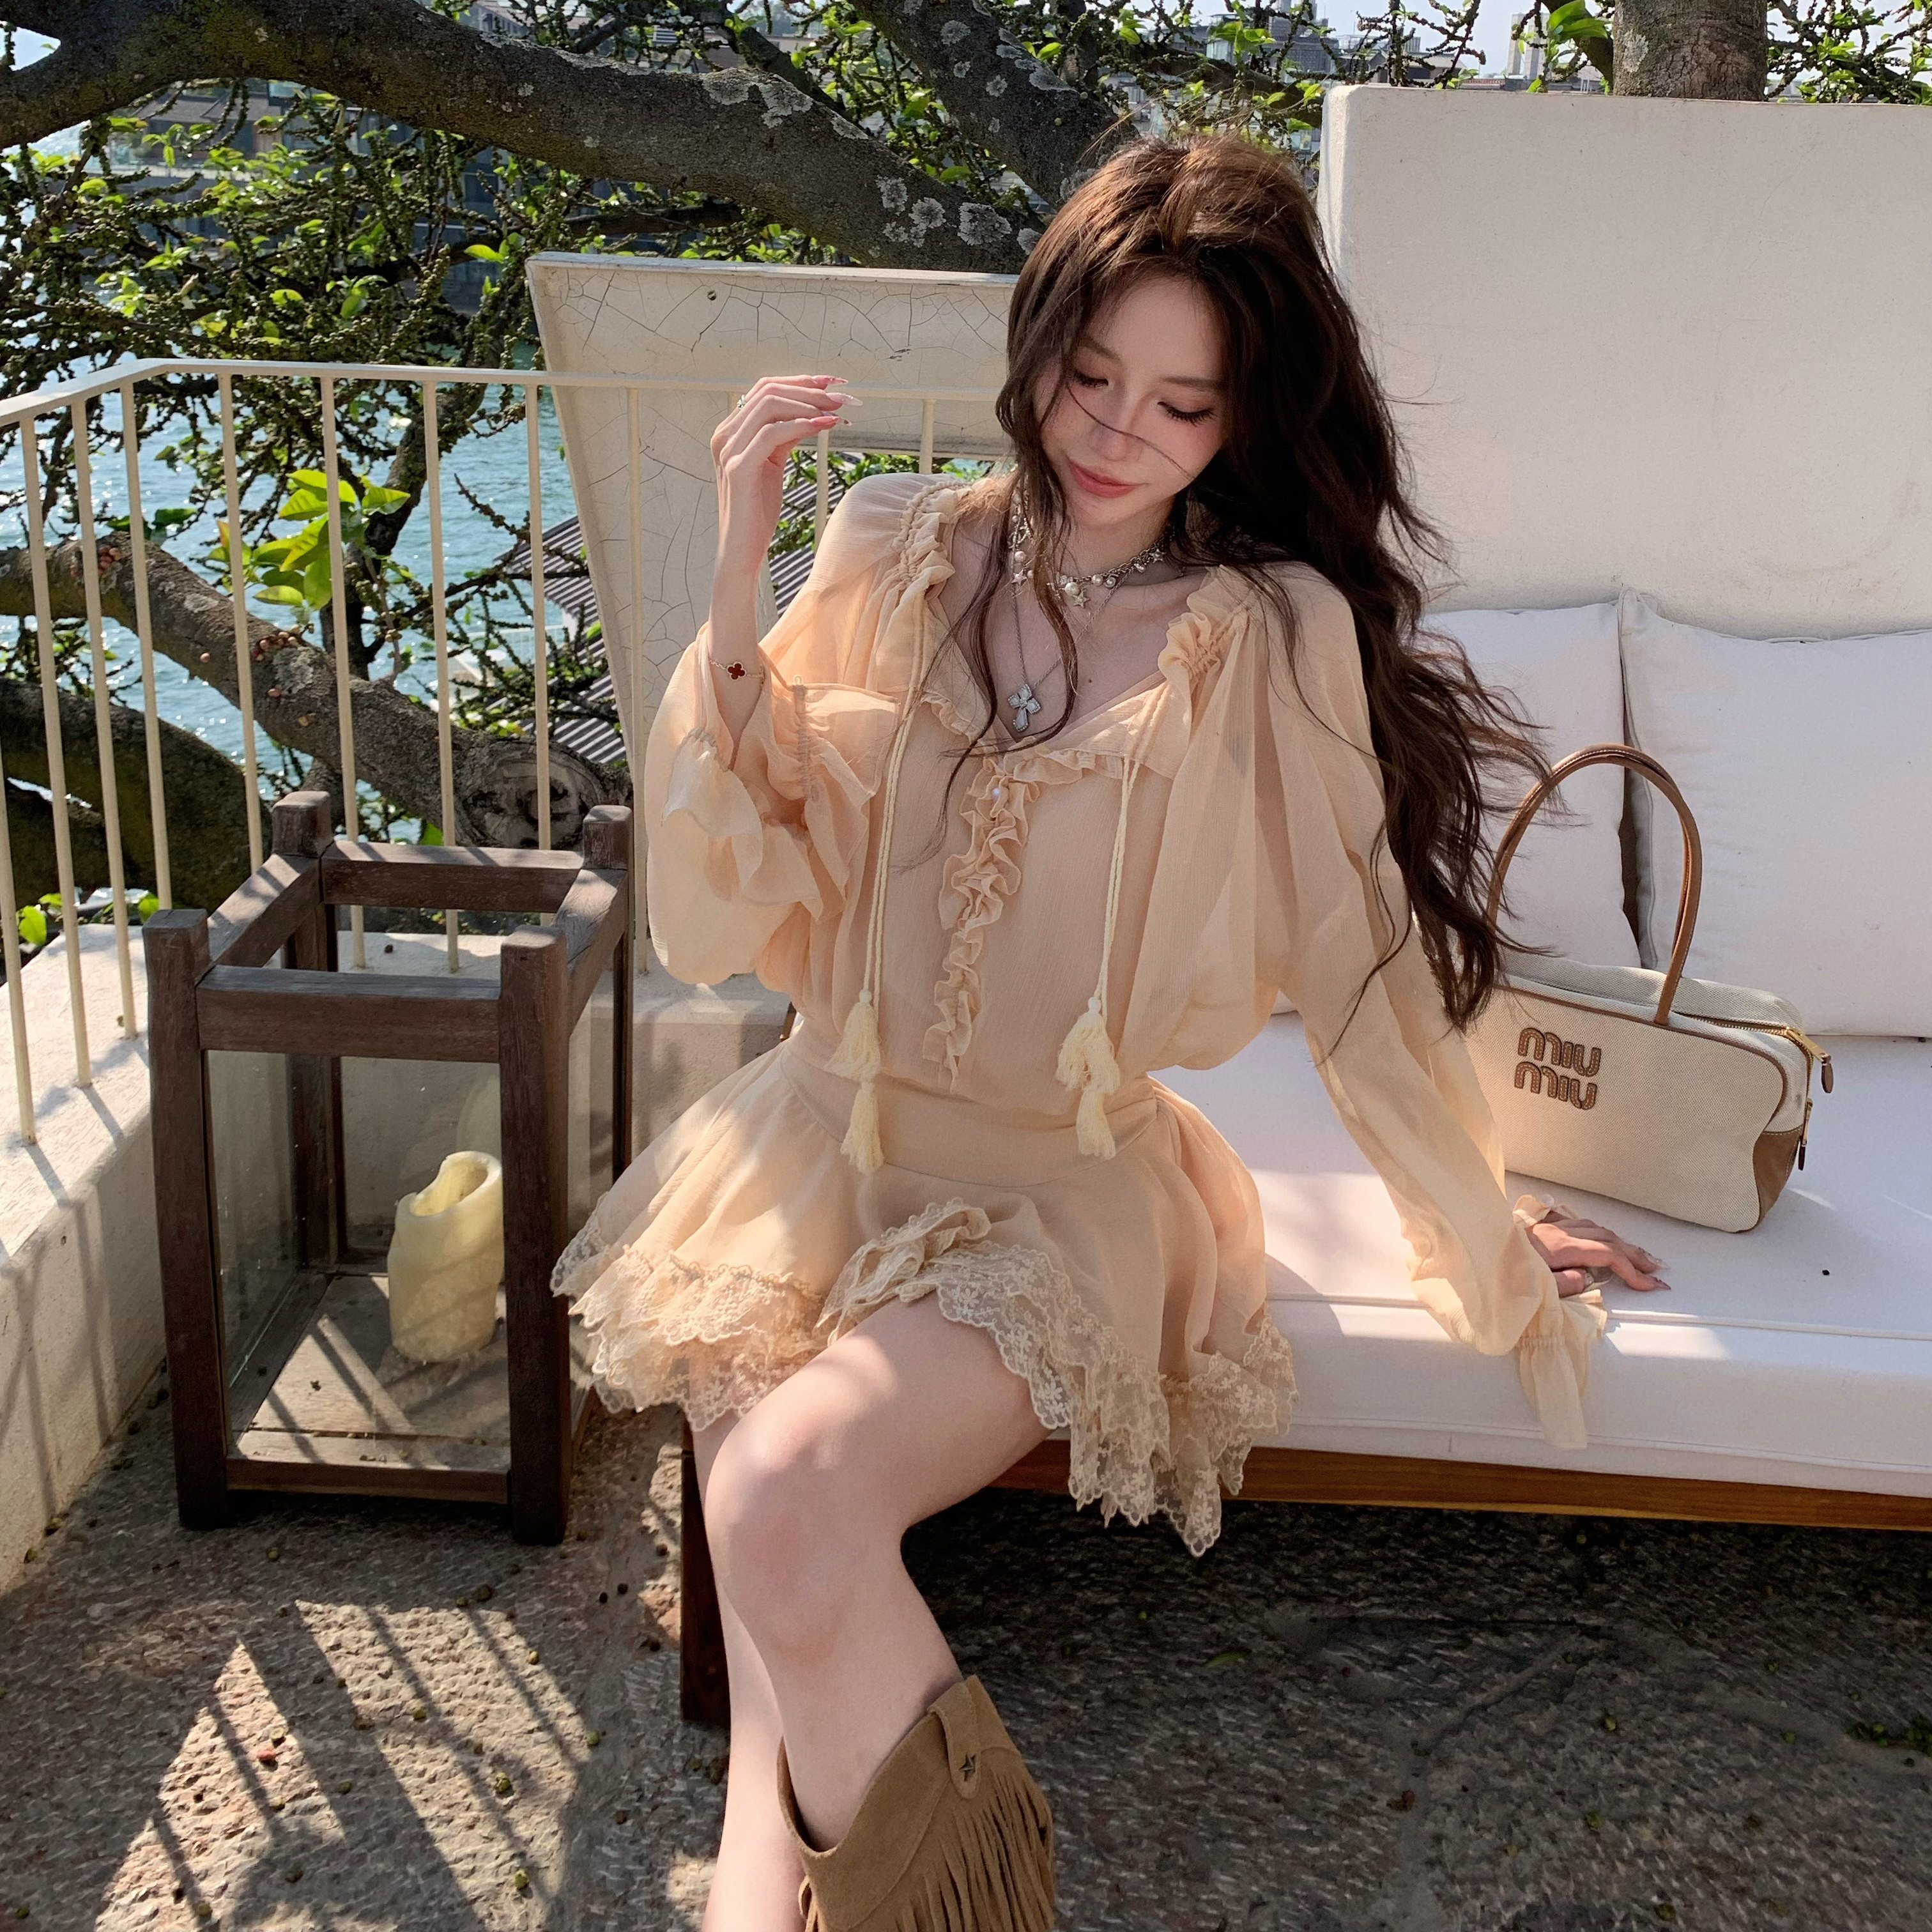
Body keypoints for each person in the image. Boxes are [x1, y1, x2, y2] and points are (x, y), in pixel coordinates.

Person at [552, 132, 1670, 1932]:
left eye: (1182, 404)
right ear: (1040, 343)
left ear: (1244, 423)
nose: (1117, 433)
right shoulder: (892, 546)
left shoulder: (1268, 632)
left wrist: (1473, 1221)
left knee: (777, 1514)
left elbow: (1360, 962)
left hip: (1056, 1195)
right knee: (769, 1707)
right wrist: (739, 562)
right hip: (808, 1154)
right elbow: (738, 873)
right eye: (1090, 375)